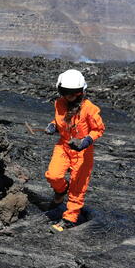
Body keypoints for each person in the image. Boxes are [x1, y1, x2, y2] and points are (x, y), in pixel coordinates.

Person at [44, 69, 105, 232]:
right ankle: (61, 190)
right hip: (63, 146)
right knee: (53, 175)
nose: (69, 96)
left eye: (73, 92)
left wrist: (86, 141)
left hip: (82, 153)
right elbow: (60, 121)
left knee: (78, 187)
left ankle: (70, 218)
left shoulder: (89, 109)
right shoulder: (59, 104)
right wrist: (53, 125)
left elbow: (98, 129)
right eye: (65, 92)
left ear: (81, 92)